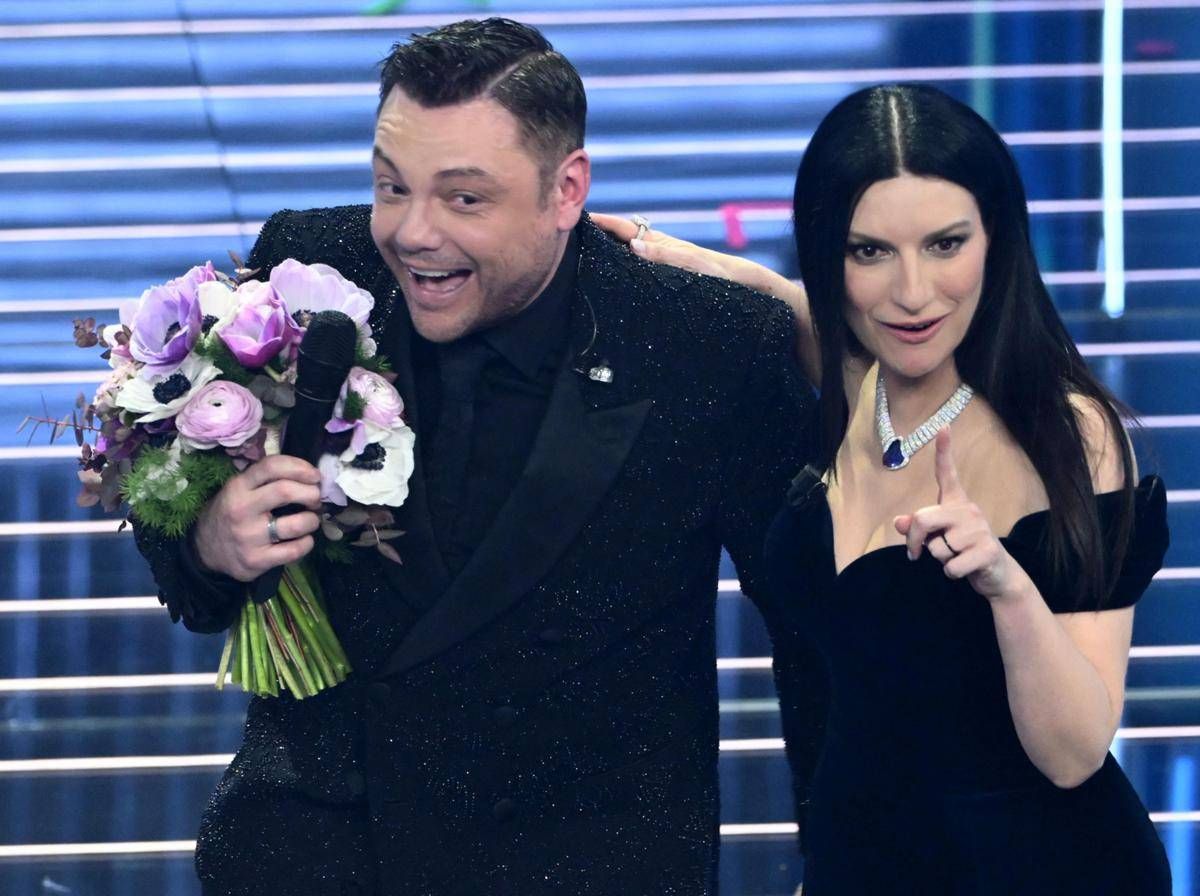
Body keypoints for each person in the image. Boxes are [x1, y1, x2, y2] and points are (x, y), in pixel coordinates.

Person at [132, 17, 827, 896]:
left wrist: (841, 859)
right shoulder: (309, 272)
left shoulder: (706, 343)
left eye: (464, 199)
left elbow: (817, 634)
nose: (413, 233)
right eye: (392, 186)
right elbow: (184, 521)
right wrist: (207, 544)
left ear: (566, 190)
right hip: (314, 860)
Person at [597, 82, 1173, 894]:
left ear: (997, 239)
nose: (912, 292)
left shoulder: (1066, 435)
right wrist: (671, 255)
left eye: (945, 244)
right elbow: (793, 307)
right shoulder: (864, 385)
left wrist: (1006, 586)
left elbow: (1074, 755)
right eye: (869, 251)